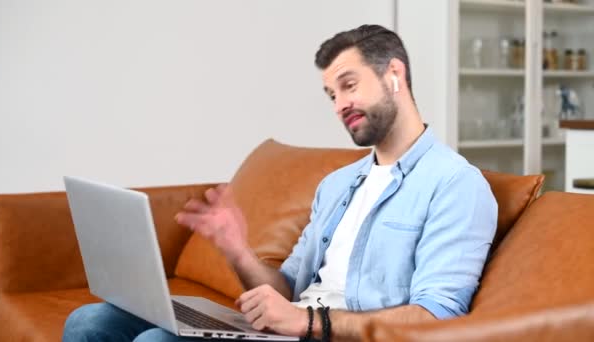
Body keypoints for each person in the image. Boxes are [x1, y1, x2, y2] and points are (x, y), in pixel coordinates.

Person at [63, 24, 497, 342]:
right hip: (291, 330)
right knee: (90, 322)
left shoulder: (455, 184)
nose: (340, 105)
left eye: (349, 85)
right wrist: (237, 250)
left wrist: (309, 322)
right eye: (332, 95)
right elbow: (285, 288)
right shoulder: (339, 185)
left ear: (394, 75)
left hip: (326, 335)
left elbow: (438, 317)